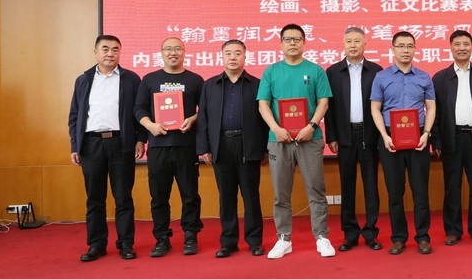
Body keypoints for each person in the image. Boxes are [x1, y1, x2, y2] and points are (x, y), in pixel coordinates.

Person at [258, 24, 336, 259]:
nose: (292, 43)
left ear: (304, 42)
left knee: (316, 189)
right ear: (281, 43)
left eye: (296, 39)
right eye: (287, 39)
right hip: (278, 140)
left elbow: (323, 102)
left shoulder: (315, 71)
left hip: (310, 139)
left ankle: (321, 236)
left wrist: (311, 126)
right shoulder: (271, 72)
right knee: (281, 193)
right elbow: (263, 105)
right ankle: (284, 238)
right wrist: (276, 129)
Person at [69, 35, 146, 261]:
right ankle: (96, 244)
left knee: (123, 197)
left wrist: (141, 139)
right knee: (95, 198)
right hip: (91, 144)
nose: (110, 53)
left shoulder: (131, 79)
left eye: (115, 49)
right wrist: (75, 145)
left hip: (121, 143)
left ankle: (126, 244)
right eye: (105, 49)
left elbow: (140, 111)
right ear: (96, 53)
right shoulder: (83, 80)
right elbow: (74, 115)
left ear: (120, 53)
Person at [196, 40, 268, 258]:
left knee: (251, 196)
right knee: (226, 197)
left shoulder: (257, 84)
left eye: (237, 53)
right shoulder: (210, 85)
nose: (233, 57)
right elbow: (203, 118)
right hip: (221, 146)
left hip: (248, 145)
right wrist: (204, 147)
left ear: (245, 56)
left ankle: (254, 241)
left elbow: (265, 118)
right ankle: (228, 242)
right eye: (228, 53)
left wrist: (264, 148)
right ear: (222, 56)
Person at [134, 37, 205, 256]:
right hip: (158, 147)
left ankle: (190, 236)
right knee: (159, 196)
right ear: (161, 52)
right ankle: (162, 238)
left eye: (177, 49)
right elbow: (139, 108)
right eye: (168, 49)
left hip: (186, 146)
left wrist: (193, 119)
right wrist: (150, 125)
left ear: (184, 52)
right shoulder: (149, 79)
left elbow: (205, 109)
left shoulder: (195, 80)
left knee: (190, 194)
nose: (173, 53)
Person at [370, 31, 436, 255]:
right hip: (390, 139)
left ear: (415, 49)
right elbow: (375, 108)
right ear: (393, 49)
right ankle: (398, 238)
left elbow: (431, 107)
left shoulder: (424, 77)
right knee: (395, 192)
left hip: (418, 138)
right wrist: (384, 135)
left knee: (420, 191)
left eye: (410, 46)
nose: (405, 50)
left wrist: (426, 133)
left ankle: (423, 237)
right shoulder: (381, 77)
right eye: (401, 46)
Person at [431, 30, 472, 246]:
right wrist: (436, 140)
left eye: (466, 44)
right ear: (451, 47)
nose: (462, 48)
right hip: (451, 139)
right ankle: (452, 230)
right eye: (457, 44)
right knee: (452, 187)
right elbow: (435, 112)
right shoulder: (440, 78)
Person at [325, 27, 384, 252]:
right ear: (343, 44)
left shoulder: (376, 71)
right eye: (349, 41)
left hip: (370, 134)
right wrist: (332, 136)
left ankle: (371, 232)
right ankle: (349, 233)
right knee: (347, 185)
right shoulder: (333, 72)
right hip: (344, 135)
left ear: (365, 44)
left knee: (371, 185)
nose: (353, 45)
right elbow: (329, 107)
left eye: (357, 41)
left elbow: (383, 105)